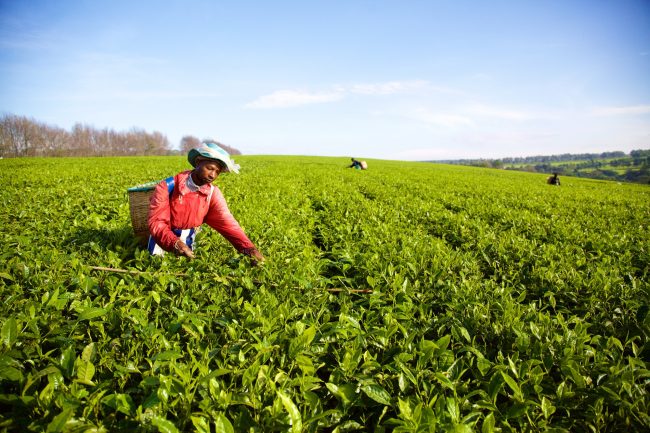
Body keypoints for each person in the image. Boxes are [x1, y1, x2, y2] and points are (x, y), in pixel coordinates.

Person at [147, 141, 265, 264]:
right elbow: (158, 222)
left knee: (185, 268)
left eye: (217, 172)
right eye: (210, 168)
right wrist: (175, 243)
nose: (212, 175)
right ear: (198, 162)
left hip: (188, 240)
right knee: (158, 267)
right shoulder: (168, 186)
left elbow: (227, 223)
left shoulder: (212, 193)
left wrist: (249, 249)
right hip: (161, 240)